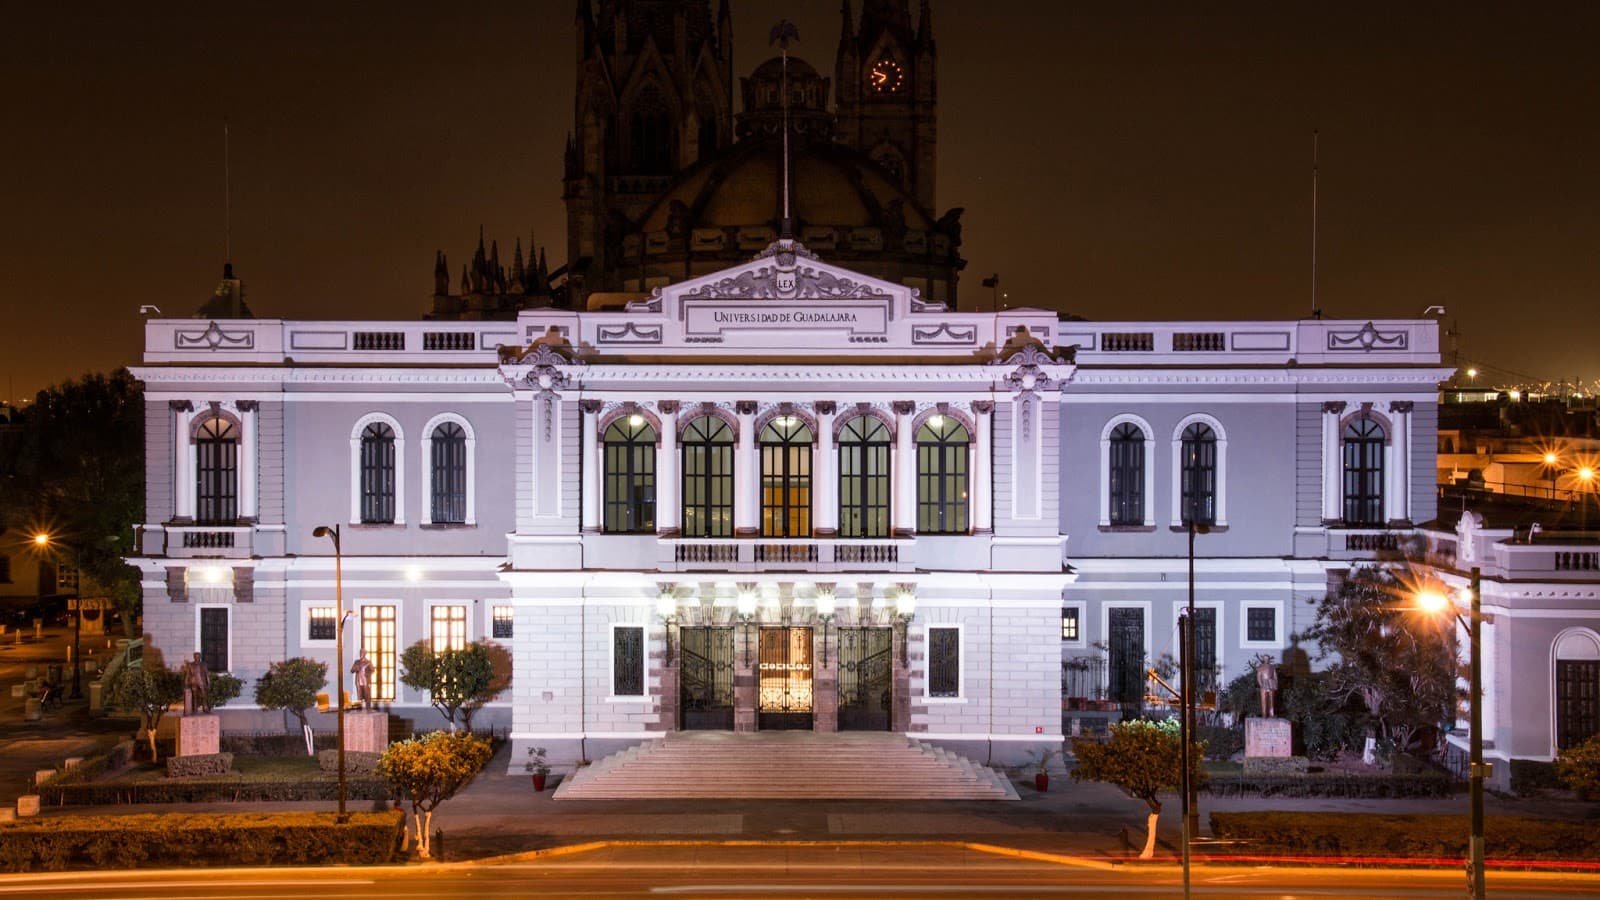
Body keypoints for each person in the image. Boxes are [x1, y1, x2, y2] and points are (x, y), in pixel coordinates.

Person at [1255, 653, 1278, 718]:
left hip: (1271, 684)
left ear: (1269, 659)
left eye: (1267, 658)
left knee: (1271, 699)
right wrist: (1261, 685)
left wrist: (1275, 685)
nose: (1266, 659)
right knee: (1264, 699)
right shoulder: (1260, 667)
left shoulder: (1272, 667)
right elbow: (1258, 677)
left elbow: (1275, 677)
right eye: (1265, 658)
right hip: (1264, 684)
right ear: (1263, 659)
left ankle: (1271, 714)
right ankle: (1264, 714)